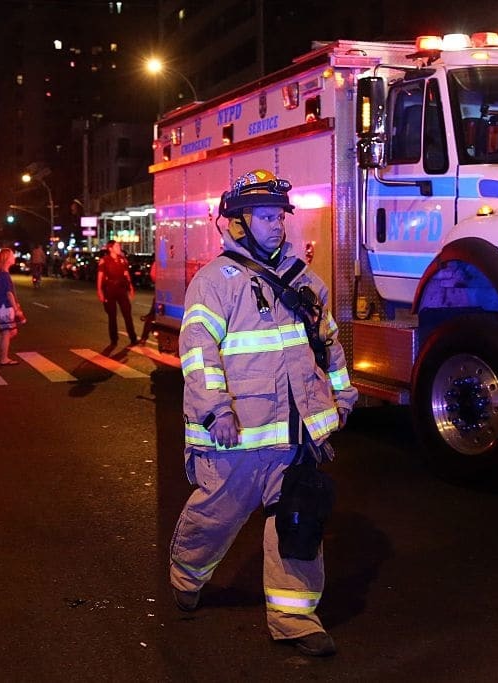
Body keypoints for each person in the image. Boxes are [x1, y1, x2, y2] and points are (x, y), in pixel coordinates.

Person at [168, 169, 358, 658]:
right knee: (214, 518)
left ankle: (295, 617)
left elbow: (329, 346)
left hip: (294, 440)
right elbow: (197, 353)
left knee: (299, 523)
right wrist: (216, 412)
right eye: (266, 217)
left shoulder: (304, 281)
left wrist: (341, 399)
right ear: (238, 224)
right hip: (236, 437)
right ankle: (187, 576)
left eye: (280, 217)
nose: (277, 226)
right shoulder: (214, 283)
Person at [0, 247, 26, 365]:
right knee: (7, 332)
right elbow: (9, 294)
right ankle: (4, 358)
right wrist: (16, 309)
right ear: (7, 259)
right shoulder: (4, 274)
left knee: (11, 331)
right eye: (12, 255)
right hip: (4, 307)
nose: (14, 257)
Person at [96, 240, 137, 346]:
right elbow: (100, 276)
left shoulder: (122, 260)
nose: (119, 248)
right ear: (111, 248)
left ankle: (133, 337)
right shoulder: (104, 261)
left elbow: (126, 273)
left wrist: (130, 286)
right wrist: (100, 290)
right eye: (117, 246)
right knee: (112, 315)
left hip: (122, 289)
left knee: (127, 313)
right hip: (110, 289)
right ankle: (114, 339)